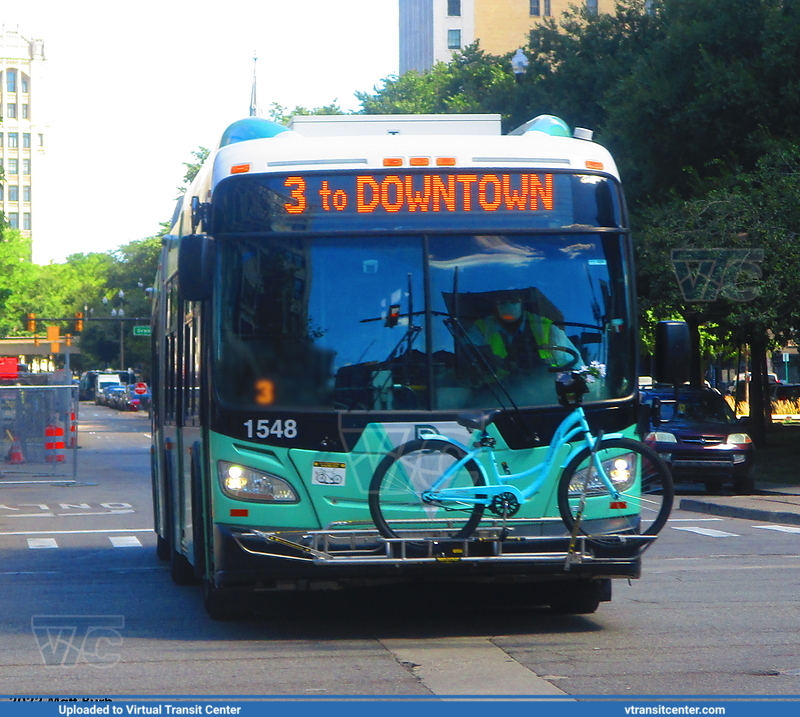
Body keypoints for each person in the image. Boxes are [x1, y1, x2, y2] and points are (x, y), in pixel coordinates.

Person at [468, 291, 579, 377]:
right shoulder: (481, 329)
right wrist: (496, 361)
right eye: (502, 300)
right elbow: (466, 358)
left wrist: (546, 367)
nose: (508, 304)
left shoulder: (546, 327)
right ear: (494, 304)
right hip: (494, 396)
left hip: (545, 396)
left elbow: (577, 369)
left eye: (513, 299)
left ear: (523, 302)